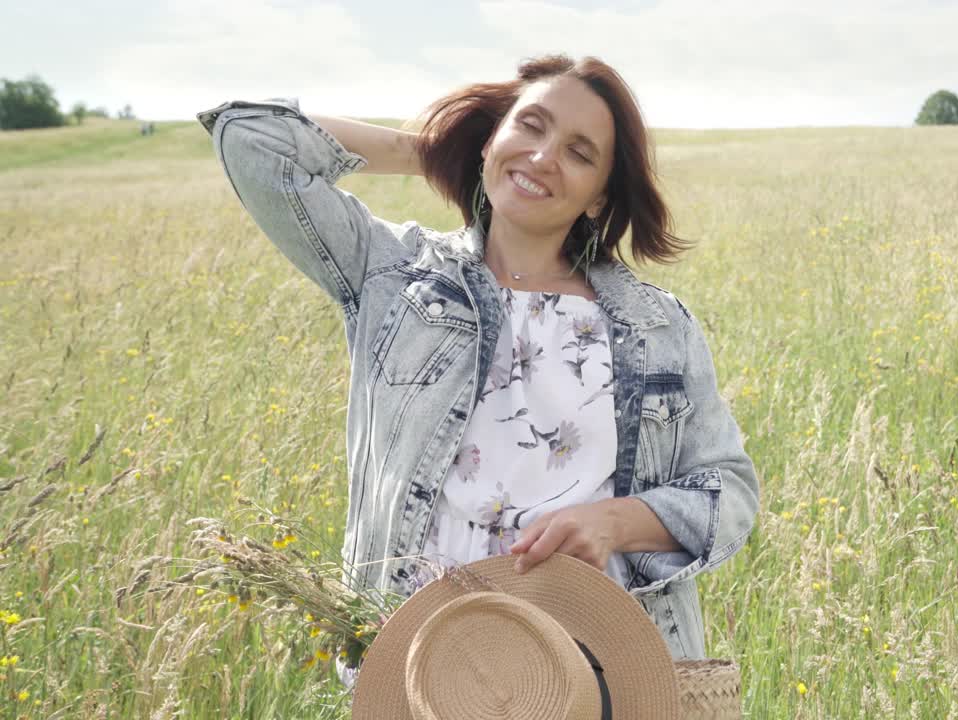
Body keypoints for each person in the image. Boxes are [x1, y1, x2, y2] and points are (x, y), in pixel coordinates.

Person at [196, 54, 759, 692]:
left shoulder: (658, 325)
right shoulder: (392, 274)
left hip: (594, 675)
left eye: (579, 152)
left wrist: (614, 522)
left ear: (601, 192)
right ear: (492, 137)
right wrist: (437, 150)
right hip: (423, 669)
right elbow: (249, 136)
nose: (544, 157)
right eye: (530, 126)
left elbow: (730, 492)